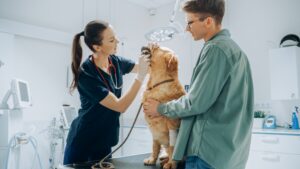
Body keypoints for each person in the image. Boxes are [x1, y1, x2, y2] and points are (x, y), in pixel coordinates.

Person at [143, 0, 254, 169]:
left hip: (207, 155)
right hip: (230, 156)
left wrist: (160, 108)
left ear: (208, 21)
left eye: (189, 22)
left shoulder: (215, 49)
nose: (187, 29)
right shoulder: (236, 51)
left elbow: (195, 103)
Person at [63, 20, 150, 166]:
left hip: (104, 141)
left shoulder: (115, 62)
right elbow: (120, 106)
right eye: (111, 40)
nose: (117, 41)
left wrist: (154, 57)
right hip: (83, 143)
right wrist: (140, 77)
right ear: (97, 47)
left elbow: (144, 68)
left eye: (115, 36)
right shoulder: (86, 74)